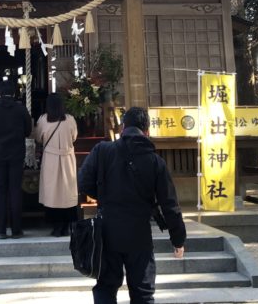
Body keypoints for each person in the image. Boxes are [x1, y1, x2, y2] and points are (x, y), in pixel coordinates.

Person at [78, 106, 186, 304]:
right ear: (147, 132)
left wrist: (103, 195)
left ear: (123, 128)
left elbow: (83, 181)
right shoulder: (155, 161)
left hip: (107, 229)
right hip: (139, 232)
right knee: (142, 292)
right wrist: (178, 239)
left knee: (106, 287)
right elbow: (170, 204)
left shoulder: (102, 151)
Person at [0, 80, 33, 239]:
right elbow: (28, 131)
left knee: (0, 191)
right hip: (16, 154)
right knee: (15, 191)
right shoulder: (21, 110)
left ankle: (1, 230)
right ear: (15, 93)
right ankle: (17, 230)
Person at [34, 92, 79, 237]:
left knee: (52, 193)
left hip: (50, 159)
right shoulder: (70, 119)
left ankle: (56, 226)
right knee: (66, 191)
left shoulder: (43, 120)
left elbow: (39, 138)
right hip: (67, 158)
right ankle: (67, 225)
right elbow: (74, 137)